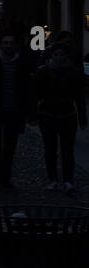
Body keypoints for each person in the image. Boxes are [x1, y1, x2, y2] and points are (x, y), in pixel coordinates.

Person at [0, 32, 37, 196]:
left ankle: (5, 178)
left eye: (11, 42)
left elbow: (29, 89)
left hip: (14, 111)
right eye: (5, 43)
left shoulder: (22, 63)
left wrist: (31, 113)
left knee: (10, 148)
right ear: (0, 44)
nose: (8, 46)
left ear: (15, 45)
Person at [32, 43, 87, 193]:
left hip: (67, 114)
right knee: (50, 148)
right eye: (56, 54)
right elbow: (36, 94)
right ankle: (53, 179)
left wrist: (82, 117)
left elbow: (79, 96)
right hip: (47, 114)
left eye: (61, 54)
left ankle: (68, 180)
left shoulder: (73, 73)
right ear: (52, 56)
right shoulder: (43, 73)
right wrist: (33, 114)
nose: (58, 57)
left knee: (67, 149)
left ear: (66, 56)